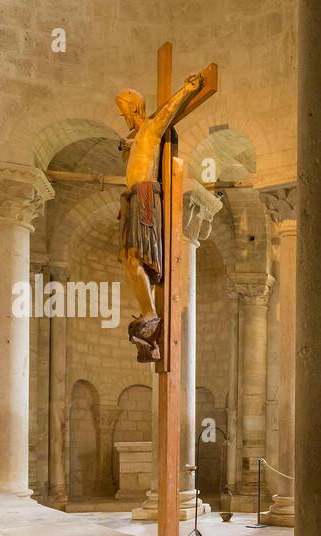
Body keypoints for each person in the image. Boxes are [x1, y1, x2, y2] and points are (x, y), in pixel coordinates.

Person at [115, 73, 204, 362]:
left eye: (124, 109)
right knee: (129, 261)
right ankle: (148, 311)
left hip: (144, 196)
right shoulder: (135, 139)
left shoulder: (150, 130)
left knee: (138, 256)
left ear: (136, 108)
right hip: (130, 199)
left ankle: (151, 314)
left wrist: (186, 90)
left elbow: (168, 112)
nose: (121, 115)